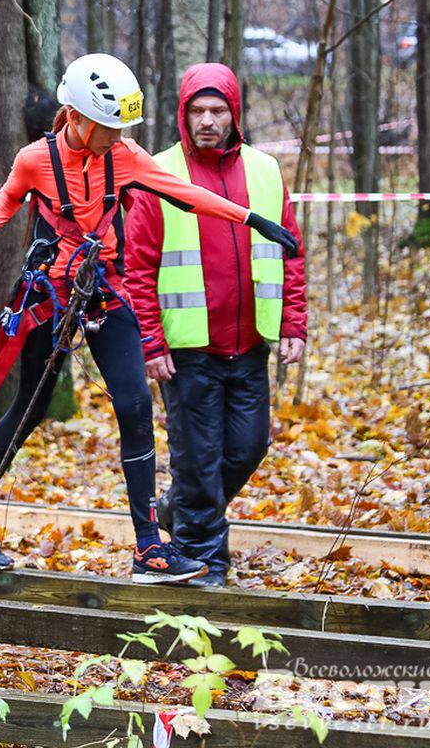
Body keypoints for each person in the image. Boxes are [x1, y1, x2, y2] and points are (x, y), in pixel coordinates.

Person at [0, 53, 298, 584]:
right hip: (50, 294)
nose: (116, 136)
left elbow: (189, 195)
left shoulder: (127, 156)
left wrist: (252, 220)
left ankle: (149, 548)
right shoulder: (34, 159)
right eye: (108, 127)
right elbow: (6, 202)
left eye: (120, 128)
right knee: (29, 408)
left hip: (104, 294)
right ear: (78, 118)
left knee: (134, 405)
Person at [125, 63, 306, 586]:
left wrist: (293, 324)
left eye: (217, 110)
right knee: (199, 458)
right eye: (197, 111)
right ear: (184, 114)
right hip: (187, 349)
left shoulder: (266, 171)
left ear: (234, 113)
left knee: (249, 447)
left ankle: (176, 510)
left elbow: (289, 252)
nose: (207, 120)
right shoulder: (158, 172)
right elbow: (137, 265)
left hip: (250, 344)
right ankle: (206, 566)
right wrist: (151, 342)